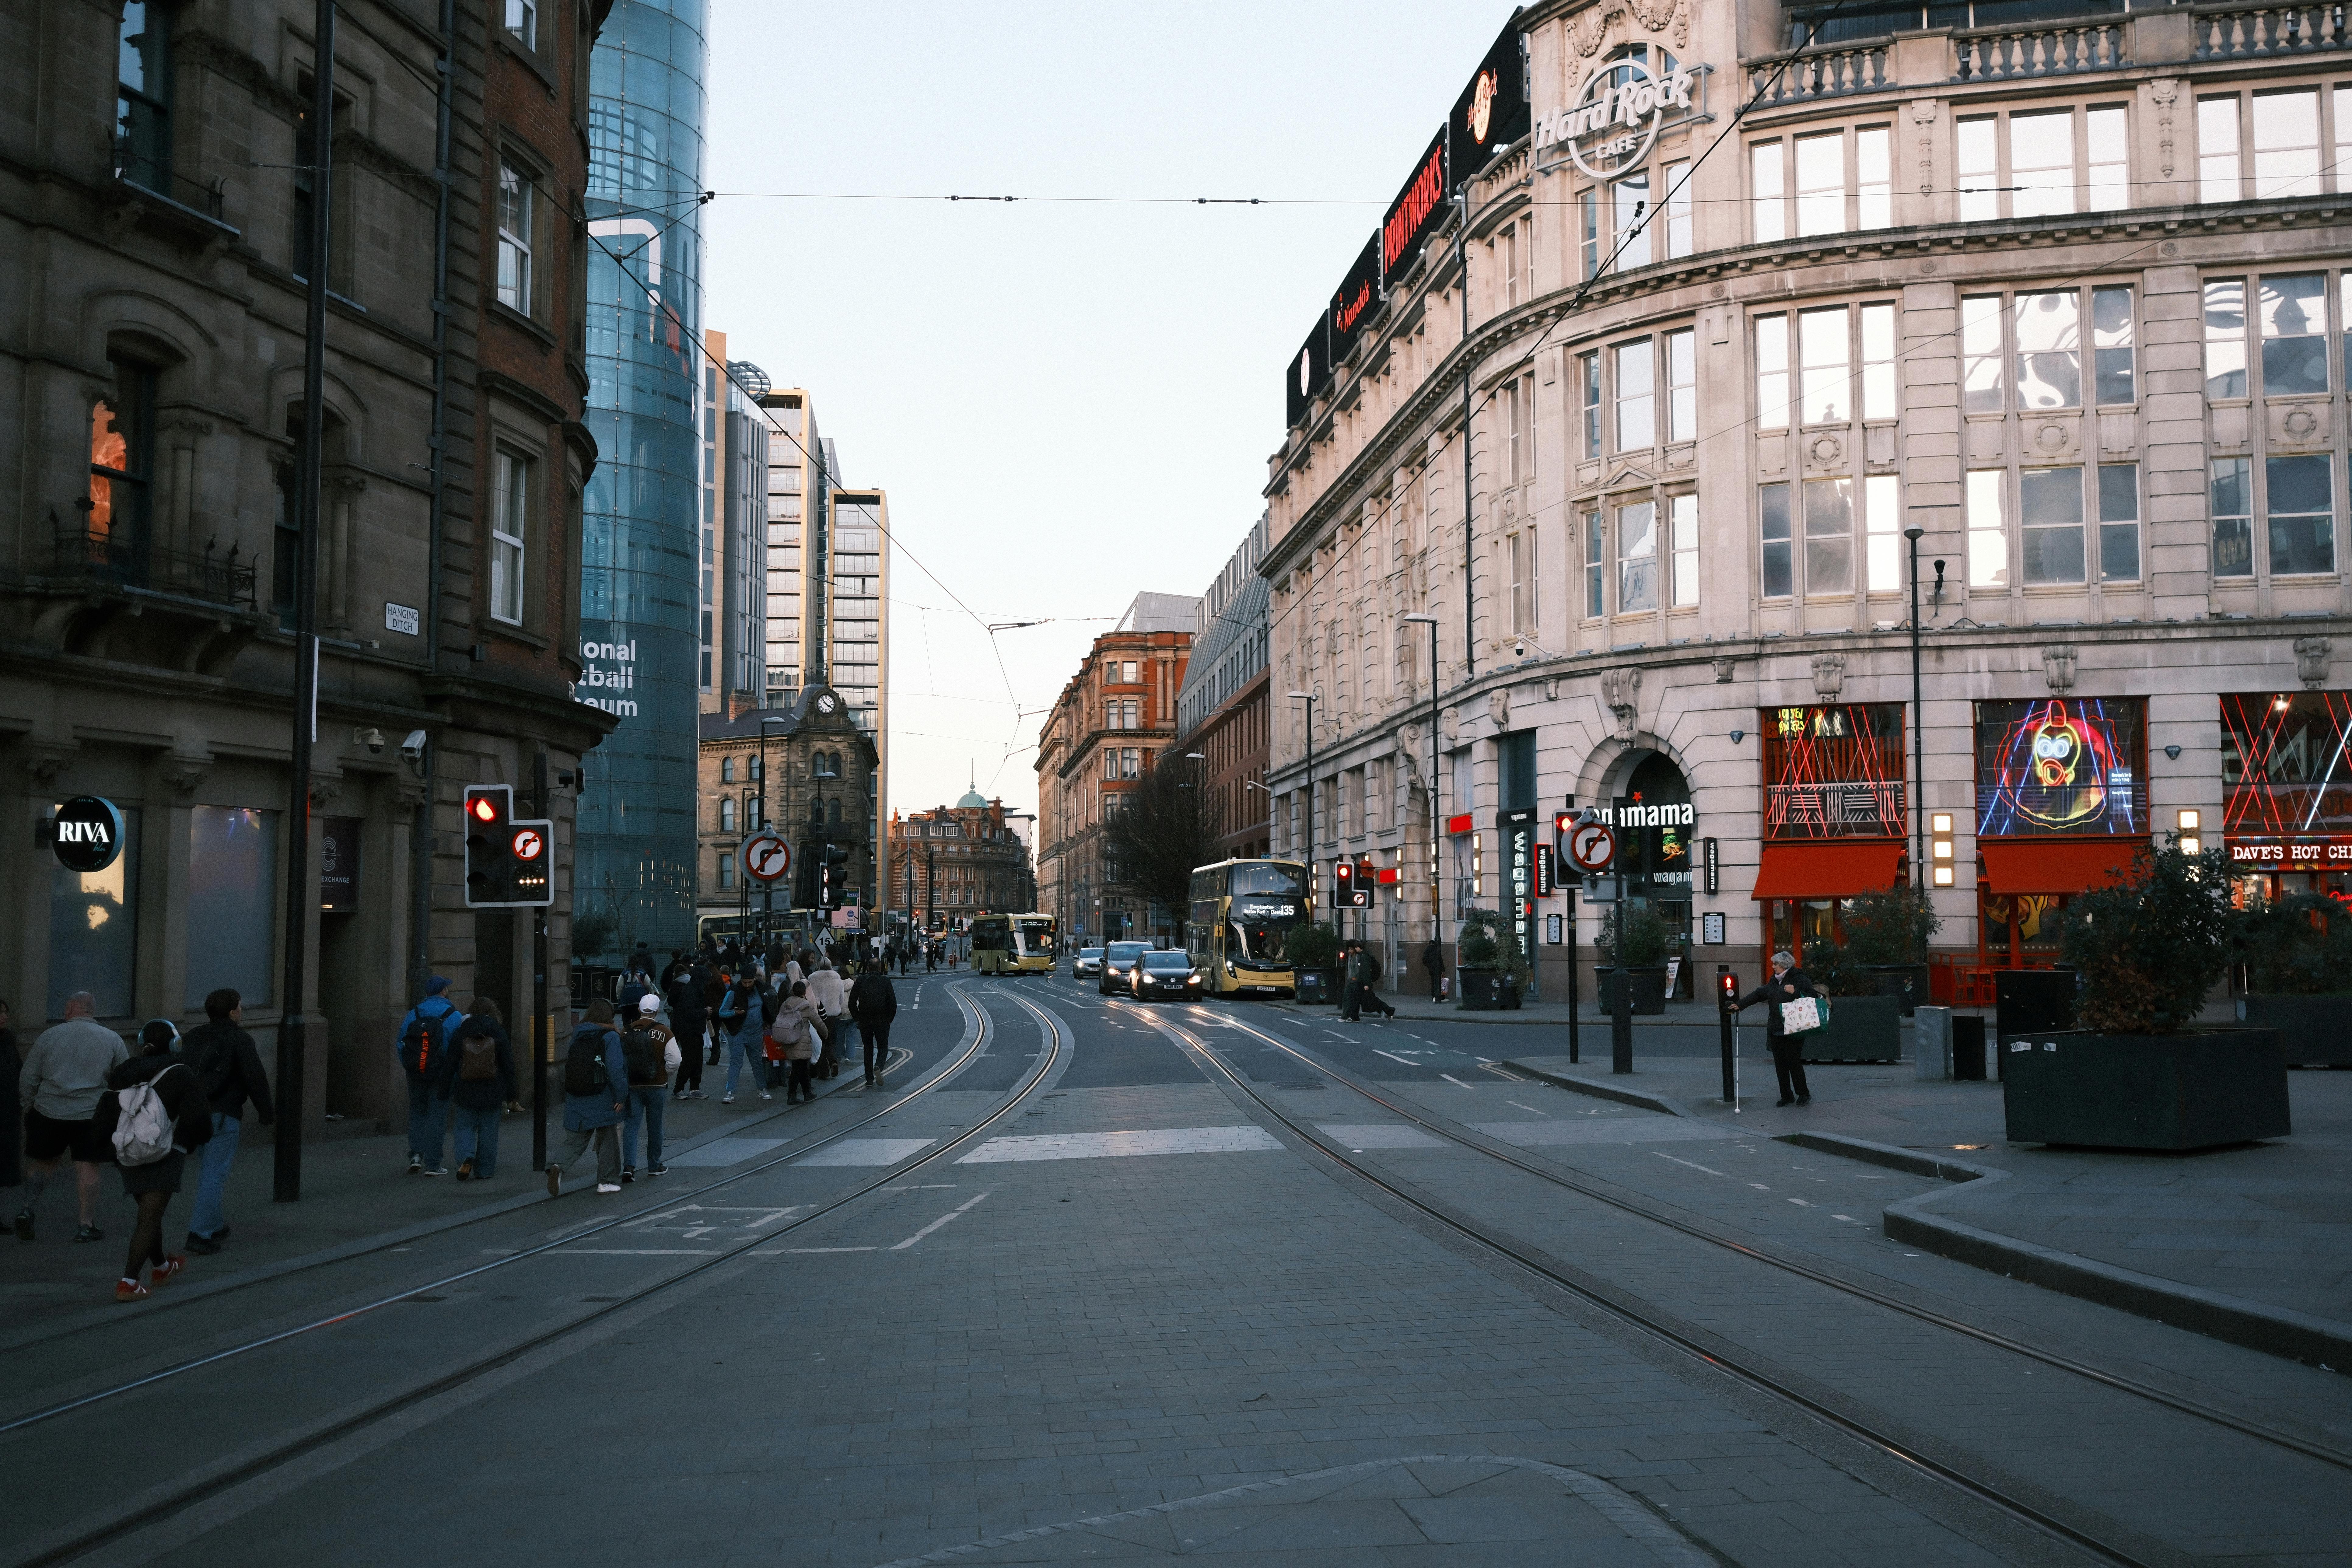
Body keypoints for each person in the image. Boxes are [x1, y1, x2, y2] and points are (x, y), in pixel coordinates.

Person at [91, 1020, 212, 1302]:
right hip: (165, 1151)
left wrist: (112, 1152)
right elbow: (199, 1118)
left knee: (149, 1213)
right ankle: (129, 1282)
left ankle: (162, 1268)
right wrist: (186, 1144)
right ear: (175, 1044)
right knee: (149, 1216)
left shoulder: (123, 1072)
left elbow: (106, 1113)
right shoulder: (181, 1073)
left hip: (128, 1151)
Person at [15, 991, 129, 1243]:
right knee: (87, 1167)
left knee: (43, 1163)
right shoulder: (112, 1039)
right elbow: (123, 1079)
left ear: (69, 1009)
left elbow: (29, 1077)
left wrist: (29, 1106)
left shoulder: (49, 1036)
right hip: (91, 1114)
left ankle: (27, 1209)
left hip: (49, 1111)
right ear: (92, 1011)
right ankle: (86, 1226)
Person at [178, 987, 276, 1255]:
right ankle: (200, 1233)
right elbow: (255, 1077)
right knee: (214, 1174)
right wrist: (266, 1112)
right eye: (240, 1007)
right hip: (222, 1113)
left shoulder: (194, 1036)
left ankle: (215, 1223)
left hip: (193, 1114)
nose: (242, 1011)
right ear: (233, 1012)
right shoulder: (239, 1039)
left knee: (210, 1171)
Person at [548, 1000, 629, 1196]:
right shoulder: (610, 1037)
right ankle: (607, 1181)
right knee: (607, 1136)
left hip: (577, 1095)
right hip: (603, 1096)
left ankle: (558, 1166)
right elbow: (616, 1069)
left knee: (576, 1138)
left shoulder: (577, 1035)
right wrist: (622, 1096)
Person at [436, 996, 515, 1182]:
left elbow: (450, 1063)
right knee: (489, 1131)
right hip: (493, 1090)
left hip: (466, 1089)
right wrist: (512, 1094)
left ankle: (466, 1157)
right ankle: (485, 1170)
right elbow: (509, 1065)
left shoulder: (463, 1031)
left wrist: (443, 1090)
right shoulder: (498, 1032)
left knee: (464, 1126)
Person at [395, 976, 462, 1175]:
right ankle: (433, 1164)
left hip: (416, 1073)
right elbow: (458, 1048)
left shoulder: (413, 1015)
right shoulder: (454, 1016)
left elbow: (401, 1045)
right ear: (443, 991)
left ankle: (416, 1156)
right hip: (442, 1075)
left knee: (417, 1113)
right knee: (437, 1117)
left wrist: (410, 1067)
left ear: (427, 994)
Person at [1737, 950, 1818, 1108]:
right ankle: (1787, 1096)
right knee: (1780, 1064)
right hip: (1776, 1029)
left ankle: (1803, 1094)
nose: (1773, 967)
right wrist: (1740, 1005)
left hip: (1795, 1028)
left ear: (1784, 965)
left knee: (1794, 1062)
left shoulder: (1799, 979)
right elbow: (1759, 994)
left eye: (1776, 964)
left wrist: (1795, 993)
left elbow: (1812, 998)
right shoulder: (1774, 982)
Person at [619, 994, 678, 1181]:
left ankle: (629, 1167)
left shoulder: (626, 1031)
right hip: (656, 1086)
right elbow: (675, 1061)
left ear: (639, 1010)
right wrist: (665, 1074)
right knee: (655, 1127)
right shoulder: (665, 1032)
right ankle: (654, 1164)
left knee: (631, 1126)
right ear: (656, 1011)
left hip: (632, 1086)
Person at [772, 980, 825, 1104]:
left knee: (803, 1067)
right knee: (798, 1069)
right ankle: (792, 1096)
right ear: (804, 992)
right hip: (802, 1041)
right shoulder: (806, 1005)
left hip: (788, 1039)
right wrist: (826, 1033)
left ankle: (807, 1093)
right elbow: (818, 1022)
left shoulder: (786, 1003)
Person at [718, 975, 768, 1104]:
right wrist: (734, 1013)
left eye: (750, 982)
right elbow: (722, 1012)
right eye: (745, 982)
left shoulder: (760, 989)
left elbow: (767, 1007)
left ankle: (762, 1089)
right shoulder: (733, 993)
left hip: (756, 1034)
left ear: (754, 980)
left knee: (757, 1062)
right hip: (738, 1033)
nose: (747, 985)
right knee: (736, 1062)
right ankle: (731, 1092)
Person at [849, 959, 898, 1087]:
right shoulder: (886, 981)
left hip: (865, 1020)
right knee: (883, 1047)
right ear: (881, 967)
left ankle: (869, 1079)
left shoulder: (860, 981)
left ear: (867, 967)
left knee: (868, 1049)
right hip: (882, 1020)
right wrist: (889, 1019)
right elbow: (893, 1003)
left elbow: (852, 1002)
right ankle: (879, 1067)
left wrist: (857, 1018)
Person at [665, 962, 708, 1100]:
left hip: (693, 1030)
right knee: (689, 1060)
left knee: (696, 1060)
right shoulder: (691, 991)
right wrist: (705, 1012)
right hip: (689, 1030)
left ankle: (694, 1088)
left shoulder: (693, 989)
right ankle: (680, 1088)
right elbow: (692, 1013)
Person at [806, 959, 849, 1079]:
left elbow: (811, 999)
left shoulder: (813, 979)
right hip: (833, 1016)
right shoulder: (838, 980)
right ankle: (833, 1060)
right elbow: (842, 1000)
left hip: (818, 1015)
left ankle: (824, 1072)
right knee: (830, 1041)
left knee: (819, 1043)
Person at [0, 1000, 21, 1204]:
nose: (5, 1017)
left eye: (6, 1012)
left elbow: (18, 1070)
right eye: (0, 1013)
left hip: (7, 1112)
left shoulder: (7, 1040)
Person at [1355, 944, 1397, 1019]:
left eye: (1356, 947)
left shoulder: (1365, 957)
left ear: (1360, 948)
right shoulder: (1363, 956)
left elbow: (1366, 972)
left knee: (1373, 1000)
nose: (1356, 949)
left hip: (1366, 984)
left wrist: (1367, 984)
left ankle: (1389, 1011)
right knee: (1368, 1002)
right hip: (1363, 983)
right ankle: (1385, 1011)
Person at [1339, 942, 1364, 1022]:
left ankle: (1346, 1016)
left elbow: (1359, 970)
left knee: (1350, 999)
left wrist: (1356, 978)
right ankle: (1354, 1017)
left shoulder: (1359, 958)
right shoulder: (1350, 958)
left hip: (1356, 981)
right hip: (1351, 981)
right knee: (1350, 999)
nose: (1350, 951)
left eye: (1352, 949)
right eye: (1349, 949)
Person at [1420, 936, 1446, 1003]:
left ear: (1429, 944)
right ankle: (1441, 996)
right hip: (1438, 969)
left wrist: (1429, 966)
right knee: (1439, 982)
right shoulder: (1437, 949)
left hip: (1432, 969)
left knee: (1433, 982)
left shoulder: (1427, 950)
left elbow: (1424, 960)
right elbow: (1440, 960)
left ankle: (1434, 995)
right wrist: (1443, 969)